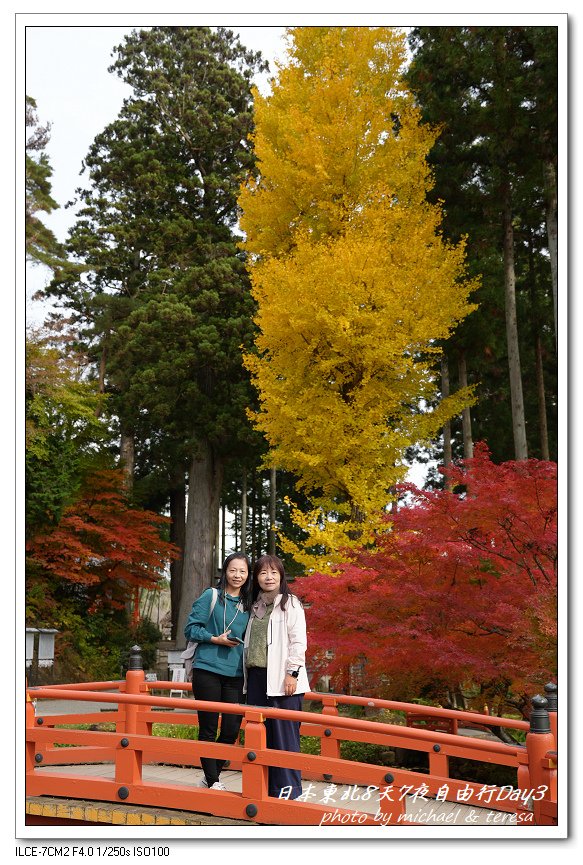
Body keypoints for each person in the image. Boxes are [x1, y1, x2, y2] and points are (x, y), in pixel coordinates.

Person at [243, 554, 310, 800]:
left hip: (284, 681)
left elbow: (298, 642)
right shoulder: (255, 606)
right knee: (262, 737)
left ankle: (289, 792)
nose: (268, 577)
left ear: (281, 576)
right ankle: (265, 789)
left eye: (273, 572)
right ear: (256, 578)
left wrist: (292, 673)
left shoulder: (290, 603)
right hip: (258, 679)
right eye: (262, 573)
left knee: (285, 737)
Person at [184, 552, 252, 791]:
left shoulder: (249, 605)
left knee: (232, 728)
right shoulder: (211, 596)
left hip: (236, 674)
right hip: (208, 669)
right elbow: (191, 629)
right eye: (233, 570)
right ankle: (213, 781)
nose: (237, 575)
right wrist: (214, 639)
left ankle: (210, 774)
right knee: (208, 727)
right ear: (225, 572)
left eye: (242, 571)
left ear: (248, 575)